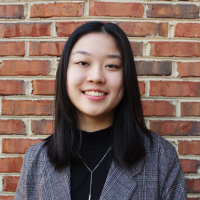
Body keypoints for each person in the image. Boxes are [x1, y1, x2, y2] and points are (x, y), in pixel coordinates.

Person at [15, 21, 187, 200]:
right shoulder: (36, 159)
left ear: (126, 77)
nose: (96, 77)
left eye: (111, 65)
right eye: (83, 62)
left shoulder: (160, 158)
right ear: (65, 73)